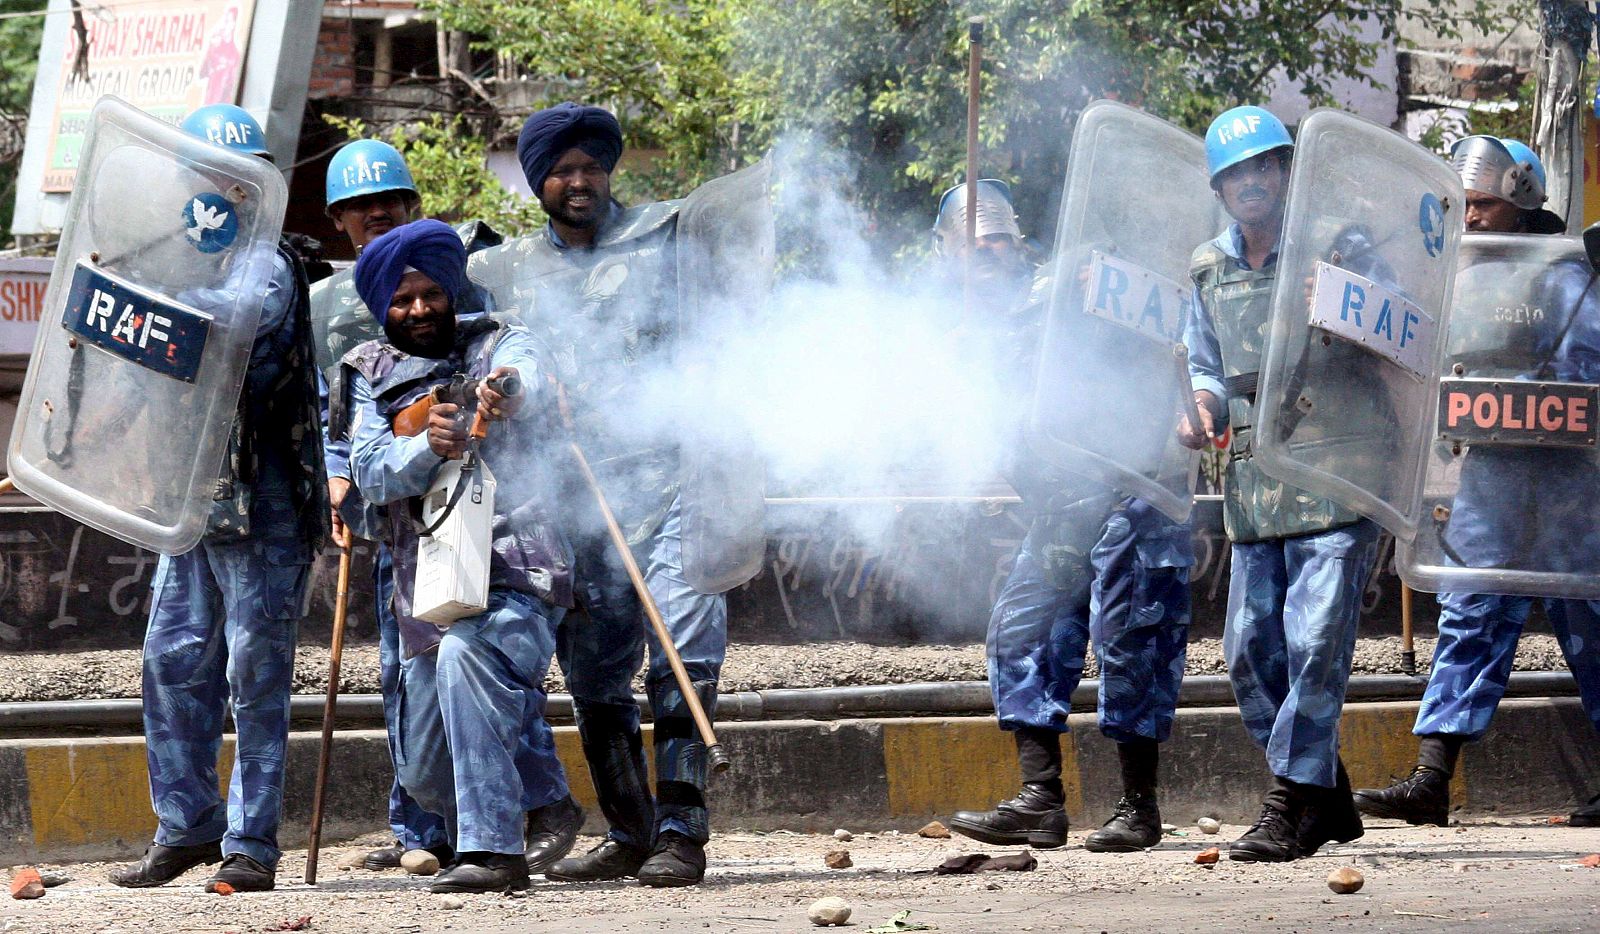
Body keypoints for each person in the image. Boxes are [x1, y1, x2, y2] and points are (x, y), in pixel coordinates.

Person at [470, 103, 725, 887]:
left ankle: (683, 831)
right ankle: (630, 831)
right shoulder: (505, 270)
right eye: (562, 169)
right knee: (593, 675)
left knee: (682, 650)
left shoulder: (668, 236)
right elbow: (488, 350)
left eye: (591, 166)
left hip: (675, 478)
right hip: (574, 496)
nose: (578, 181)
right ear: (537, 178)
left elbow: (730, 316)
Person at [313, 139, 584, 875]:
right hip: (424, 585)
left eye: (431, 291)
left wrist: (506, 392)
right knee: (427, 771)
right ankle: (536, 804)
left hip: (515, 570)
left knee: (470, 658)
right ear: (381, 307)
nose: (420, 307)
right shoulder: (365, 373)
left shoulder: (500, 337)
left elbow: (523, 369)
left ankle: (494, 853)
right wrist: (427, 447)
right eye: (401, 299)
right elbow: (368, 471)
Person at [110, 104, 328, 892]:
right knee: (171, 661)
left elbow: (219, 334)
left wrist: (136, 306)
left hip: (262, 501)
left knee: (255, 673)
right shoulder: (180, 262)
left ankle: (251, 845)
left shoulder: (263, 267)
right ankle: (188, 827)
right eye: (213, 176)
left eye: (242, 178)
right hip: (193, 502)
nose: (227, 192)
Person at [1353, 136, 1600, 829]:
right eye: (1460, 204)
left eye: (1483, 203)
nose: (1470, 216)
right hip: (1490, 466)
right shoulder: (1454, 276)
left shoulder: (1567, 275)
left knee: (1590, 615)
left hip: (1568, 472)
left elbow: (1589, 366)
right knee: (1469, 611)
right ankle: (1431, 778)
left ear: (1520, 196)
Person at [945, 179, 1196, 854]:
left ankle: (1139, 809)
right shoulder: (962, 327)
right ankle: (1040, 800)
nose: (987, 250)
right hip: (1061, 509)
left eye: (997, 235)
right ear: (947, 255)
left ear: (1018, 239)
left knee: (1129, 641)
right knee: (1019, 630)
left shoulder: (1062, 284)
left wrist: (1093, 273)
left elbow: (1140, 313)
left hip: (1125, 491)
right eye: (972, 242)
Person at [1178, 105, 1380, 862]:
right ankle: (1326, 795)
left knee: (1316, 639)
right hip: (1255, 480)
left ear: (1290, 171)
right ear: (1219, 188)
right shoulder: (1205, 265)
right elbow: (1203, 360)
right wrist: (1199, 404)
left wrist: (1342, 309)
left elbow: (1406, 331)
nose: (1252, 181)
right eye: (1236, 172)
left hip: (1337, 467)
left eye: (1266, 165)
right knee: (1246, 646)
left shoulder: (1341, 245)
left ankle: (1290, 800)